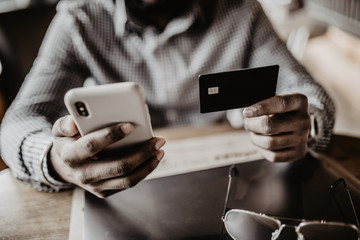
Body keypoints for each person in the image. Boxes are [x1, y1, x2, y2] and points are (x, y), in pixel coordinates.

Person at [0, 0, 335, 198]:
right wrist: (55, 161)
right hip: (119, 185)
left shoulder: (242, 10)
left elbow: (303, 88)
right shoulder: (80, 18)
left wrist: (307, 123)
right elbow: (20, 120)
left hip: (225, 179)